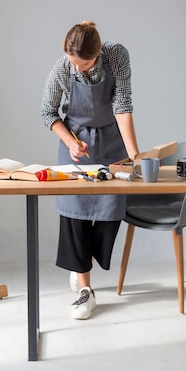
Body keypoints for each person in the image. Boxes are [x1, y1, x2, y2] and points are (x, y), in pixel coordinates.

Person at [41, 21, 139, 319]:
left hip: (112, 143)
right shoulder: (62, 68)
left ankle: (82, 261)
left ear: (97, 53)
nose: (78, 69)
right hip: (77, 147)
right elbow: (48, 112)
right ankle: (85, 289)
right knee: (75, 217)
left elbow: (122, 105)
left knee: (112, 211)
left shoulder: (117, 56)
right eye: (74, 62)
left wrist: (136, 157)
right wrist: (70, 142)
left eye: (83, 63)